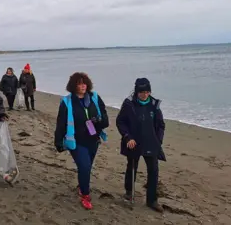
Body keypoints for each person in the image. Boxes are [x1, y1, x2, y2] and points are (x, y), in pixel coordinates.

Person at [54, 72, 109, 210]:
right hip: (76, 141)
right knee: (84, 166)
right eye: (79, 83)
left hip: (94, 140)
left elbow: (105, 119)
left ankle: (81, 185)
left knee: (86, 167)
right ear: (73, 85)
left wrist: (99, 121)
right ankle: (85, 195)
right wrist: (58, 141)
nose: (82, 86)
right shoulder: (67, 102)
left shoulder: (95, 97)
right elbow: (61, 123)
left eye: (84, 83)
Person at [116, 78, 166, 212]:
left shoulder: (154, 105)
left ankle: (152, 200)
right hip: (133, 143)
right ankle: (129, 192)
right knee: (132, 167)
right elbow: (120, 122)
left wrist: (158, 140)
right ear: (136, 92)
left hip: (151, 142)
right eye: (141, 92)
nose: (144, 94)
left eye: (147, 91)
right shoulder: (129, 104)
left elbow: (161, 125)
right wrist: (128, 138)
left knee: (153, 170)